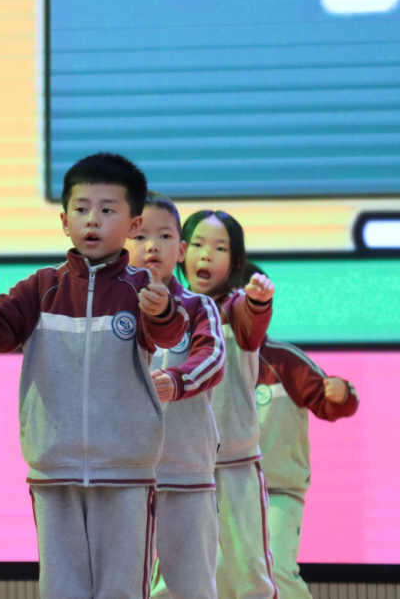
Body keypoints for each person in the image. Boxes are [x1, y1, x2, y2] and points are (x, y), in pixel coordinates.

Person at [0, 152, 189, 598]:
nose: (92, 219)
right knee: (62, 589)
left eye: (108, 209)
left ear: (133, 225)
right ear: (65, 221)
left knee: (121, 589)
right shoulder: (41, 288)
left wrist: (162, 312)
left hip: (126, 468)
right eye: (81, 209)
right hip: (53, 466)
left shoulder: (142, 288)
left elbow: (170, 332)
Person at [126, 192, 226, 599]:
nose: (152, 246)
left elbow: (214, 358)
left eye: (165, 236)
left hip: (186, 470)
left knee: (193, 586)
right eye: (140, 236)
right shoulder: (106, 311)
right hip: (122, 473)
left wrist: (177, 381)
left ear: (181, 250)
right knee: (121, 586)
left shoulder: (199, 307)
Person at [248, 264, 360, 599]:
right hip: (218, 491)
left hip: (277, 489)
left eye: (255, 300)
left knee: (277, 571)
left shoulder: (284, 361)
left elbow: (334, 403)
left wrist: (342, 393)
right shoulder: (204, 360)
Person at [180, 212, 276, 599]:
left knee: (250, 572)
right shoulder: (166, 308)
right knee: (173, 573)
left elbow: (253, 322)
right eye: (198, 244)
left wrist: (259, 301)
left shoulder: (237, 308)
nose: (207, 255)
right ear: (182, 251)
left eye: (220, 248)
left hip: (235, 462)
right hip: (180, 463)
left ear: (235, 262)